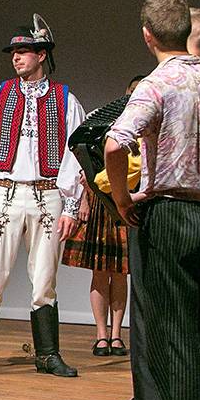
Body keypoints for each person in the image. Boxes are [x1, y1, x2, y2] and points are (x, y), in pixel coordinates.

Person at [105, 0, 200, 400]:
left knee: (173, 339)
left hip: (172, 214)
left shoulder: (157, 84)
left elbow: (114, 143)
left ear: (148, 36)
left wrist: (123, 200)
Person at [0, 19, 84, 379]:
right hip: (5, 192)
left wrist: (71, 204)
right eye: (13, 52)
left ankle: (47, 355)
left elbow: (74, 154)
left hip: (48, 194)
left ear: (41, 55)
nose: (16, 58)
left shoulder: (65, 99)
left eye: (23, 51)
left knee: (45, 280)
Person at [63, 77, 143, 357]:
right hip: (102, 202)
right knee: (100, 272)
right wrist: (84, 200)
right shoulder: (105, 120)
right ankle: (100, 334)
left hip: (127, 201)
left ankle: (117, 334)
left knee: (120, 274)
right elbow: (86, 165)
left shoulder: (148, 124)